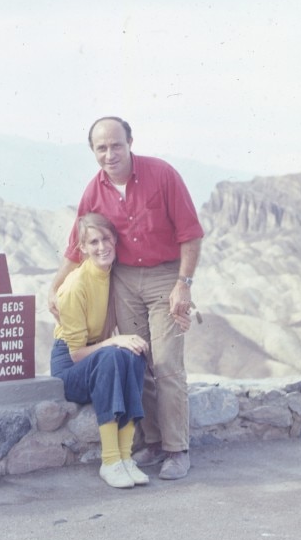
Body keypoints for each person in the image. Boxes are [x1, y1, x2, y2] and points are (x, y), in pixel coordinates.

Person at [49, 116, 204, 481]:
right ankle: (153, 442)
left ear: (130, 142)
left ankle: (176, 450)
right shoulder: (94, 191)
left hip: (164, 275)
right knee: (140, 359)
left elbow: (191, 234)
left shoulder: (162, 175)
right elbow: (77, 245)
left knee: (166, 364)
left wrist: (183, 284)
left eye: (116, 145)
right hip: (124, 280)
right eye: (101, 148)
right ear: (93, 151)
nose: (110, 154)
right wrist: (54, 287)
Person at [51, 212, 151, 489]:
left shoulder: (113, 276)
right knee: (112, 354)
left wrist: (119, 344)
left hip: (100, 358)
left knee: (134, 353)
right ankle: (110, 461)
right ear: (82, 248)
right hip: (71, 368)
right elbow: (76, 354)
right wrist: (113, 341)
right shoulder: (75, 286)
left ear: (115, 240)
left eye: (106, 239)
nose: (102, 247)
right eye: (93, 242)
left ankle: (125, 457)